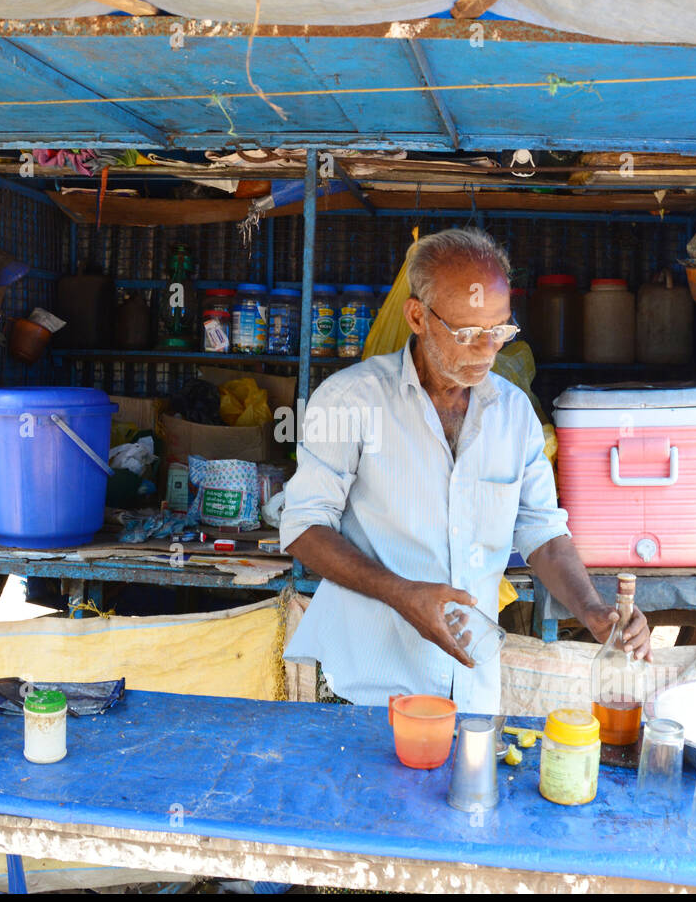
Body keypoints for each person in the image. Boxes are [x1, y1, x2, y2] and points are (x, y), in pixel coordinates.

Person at [279, 227, 651, 712]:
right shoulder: (351, 399)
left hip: (472, 688)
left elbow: (542, 531)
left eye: (499, 331)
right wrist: (403, 595)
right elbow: (304, 525)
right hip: (365, 684)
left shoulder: (515, 414)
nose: (487, 350)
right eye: (468, 333)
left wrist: (593, 609)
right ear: (417, 316)